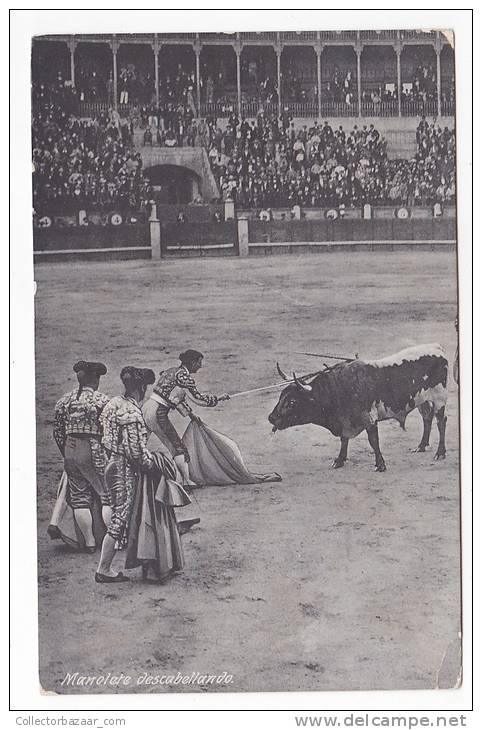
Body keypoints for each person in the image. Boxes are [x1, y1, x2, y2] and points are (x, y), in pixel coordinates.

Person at [95, 367, 157, 583]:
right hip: (123, 468)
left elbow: (103, 432)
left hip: (110, 462)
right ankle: (103, 569)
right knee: (121, 516)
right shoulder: (131, 412)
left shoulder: (113, 403)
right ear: (141, 387)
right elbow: (135, 452)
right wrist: (152, 464)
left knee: (116, 510)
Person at [142, 350, 229, 485]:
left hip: (146, 407)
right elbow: (198, 399)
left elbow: (176, 399)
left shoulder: (172, 371)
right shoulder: (184, 377)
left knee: (138, 445)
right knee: (178, 448)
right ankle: (185, 481)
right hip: (157, 412)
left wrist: (191, 416)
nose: (200, 366)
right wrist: (218, 398)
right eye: (199, 363)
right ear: (193, 362)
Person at [51, 361, 111, 552]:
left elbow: (58, 433)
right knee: (107, 495)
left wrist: (67, 454)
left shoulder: (64, 400)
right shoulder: (102, 400)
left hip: (70, 449)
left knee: (79, 498)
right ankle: (115, 539)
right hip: (93, 448)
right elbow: (109, 432)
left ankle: (90, 542)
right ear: (95, 379)